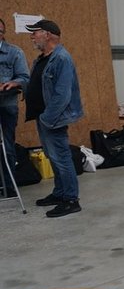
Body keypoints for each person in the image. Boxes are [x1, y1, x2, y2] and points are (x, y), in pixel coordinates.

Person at [25, 20, 84, 218]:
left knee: (61, 158)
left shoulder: (61, 58)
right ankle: (60, 193)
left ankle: (71, 200)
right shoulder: (42, 59)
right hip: (43, 117)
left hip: (52, 118)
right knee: (54, 157)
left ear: (47, 34)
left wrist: (47, 118)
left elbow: (62, 95)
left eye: (35, 33)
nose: (31, 36)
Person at [0, 18, 30, 195]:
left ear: (3, 34)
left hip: (6, 105)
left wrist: (13, 83)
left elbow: (25, 77)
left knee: (7, 146)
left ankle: (9, 186)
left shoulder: (14, 52)